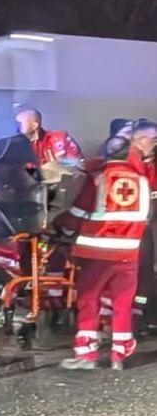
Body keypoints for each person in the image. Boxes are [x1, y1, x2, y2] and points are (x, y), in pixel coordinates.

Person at [57, 119, 157, 370]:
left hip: (97, 252)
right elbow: (147, 216)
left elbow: (78, 214)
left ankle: (87, 354)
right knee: (122, 303)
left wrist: (60, 225)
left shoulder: (98, 178)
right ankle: (120, 352)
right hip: (129, 254)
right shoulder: (142, 181)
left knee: (89, 299)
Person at [15, 106, 84, 168]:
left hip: (68, 177)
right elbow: (29, 172)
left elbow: (80, 165)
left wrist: (61, 162)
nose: (16, 128)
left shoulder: (59, 138)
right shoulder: (21, 147)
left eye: (19, 124)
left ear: (34, 125)